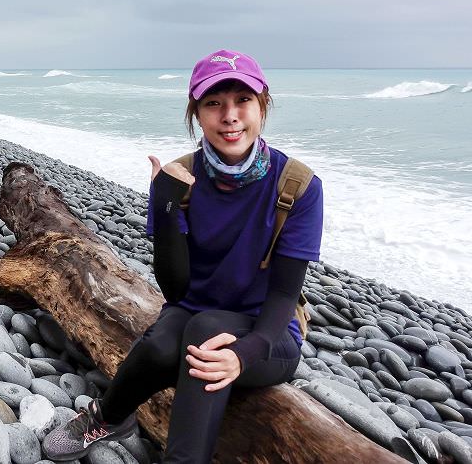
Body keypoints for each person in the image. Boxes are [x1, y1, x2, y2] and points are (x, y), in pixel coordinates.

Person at [43, 50, 323, 464]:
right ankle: (108, 416)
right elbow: (175, 288)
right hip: (193, 308)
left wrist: (242, 355)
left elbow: (284, 296)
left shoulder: (297, 186)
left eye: (242, 100)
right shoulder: (177, 178)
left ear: (262, 104)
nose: (230, 116)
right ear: (196, 112)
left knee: (208, 329)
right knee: (158, 347)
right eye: (214, 103)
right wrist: (167, 207)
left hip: (269, 334)